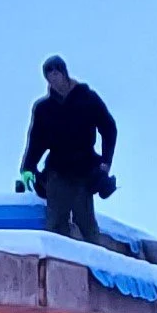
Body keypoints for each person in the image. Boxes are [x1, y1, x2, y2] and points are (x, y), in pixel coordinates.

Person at [16, 55, 118, 245]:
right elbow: (36, 141)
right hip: (57, 170)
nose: (53, 78)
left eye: (56, 72)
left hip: (84, 168)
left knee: (86, 225)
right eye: (49, 75)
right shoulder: (43, 108)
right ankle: (57, 267)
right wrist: (27, 168)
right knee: (56, 225)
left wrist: (106, 162)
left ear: (64, 73)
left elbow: (109, 128)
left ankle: (91, 267)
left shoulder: (87, 99)